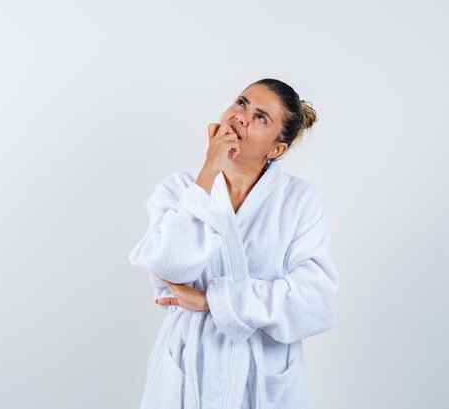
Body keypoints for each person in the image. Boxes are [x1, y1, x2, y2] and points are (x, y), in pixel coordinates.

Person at [128, 78, 340, 409]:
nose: (241, 116)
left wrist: (214, 300)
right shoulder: (179, 189)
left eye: (260, 117)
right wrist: (208, 172)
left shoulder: (299, 202)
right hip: (187, 372)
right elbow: (169, 267)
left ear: (277, 149)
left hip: (261, 377)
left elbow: (316, 302)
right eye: (241, 103)